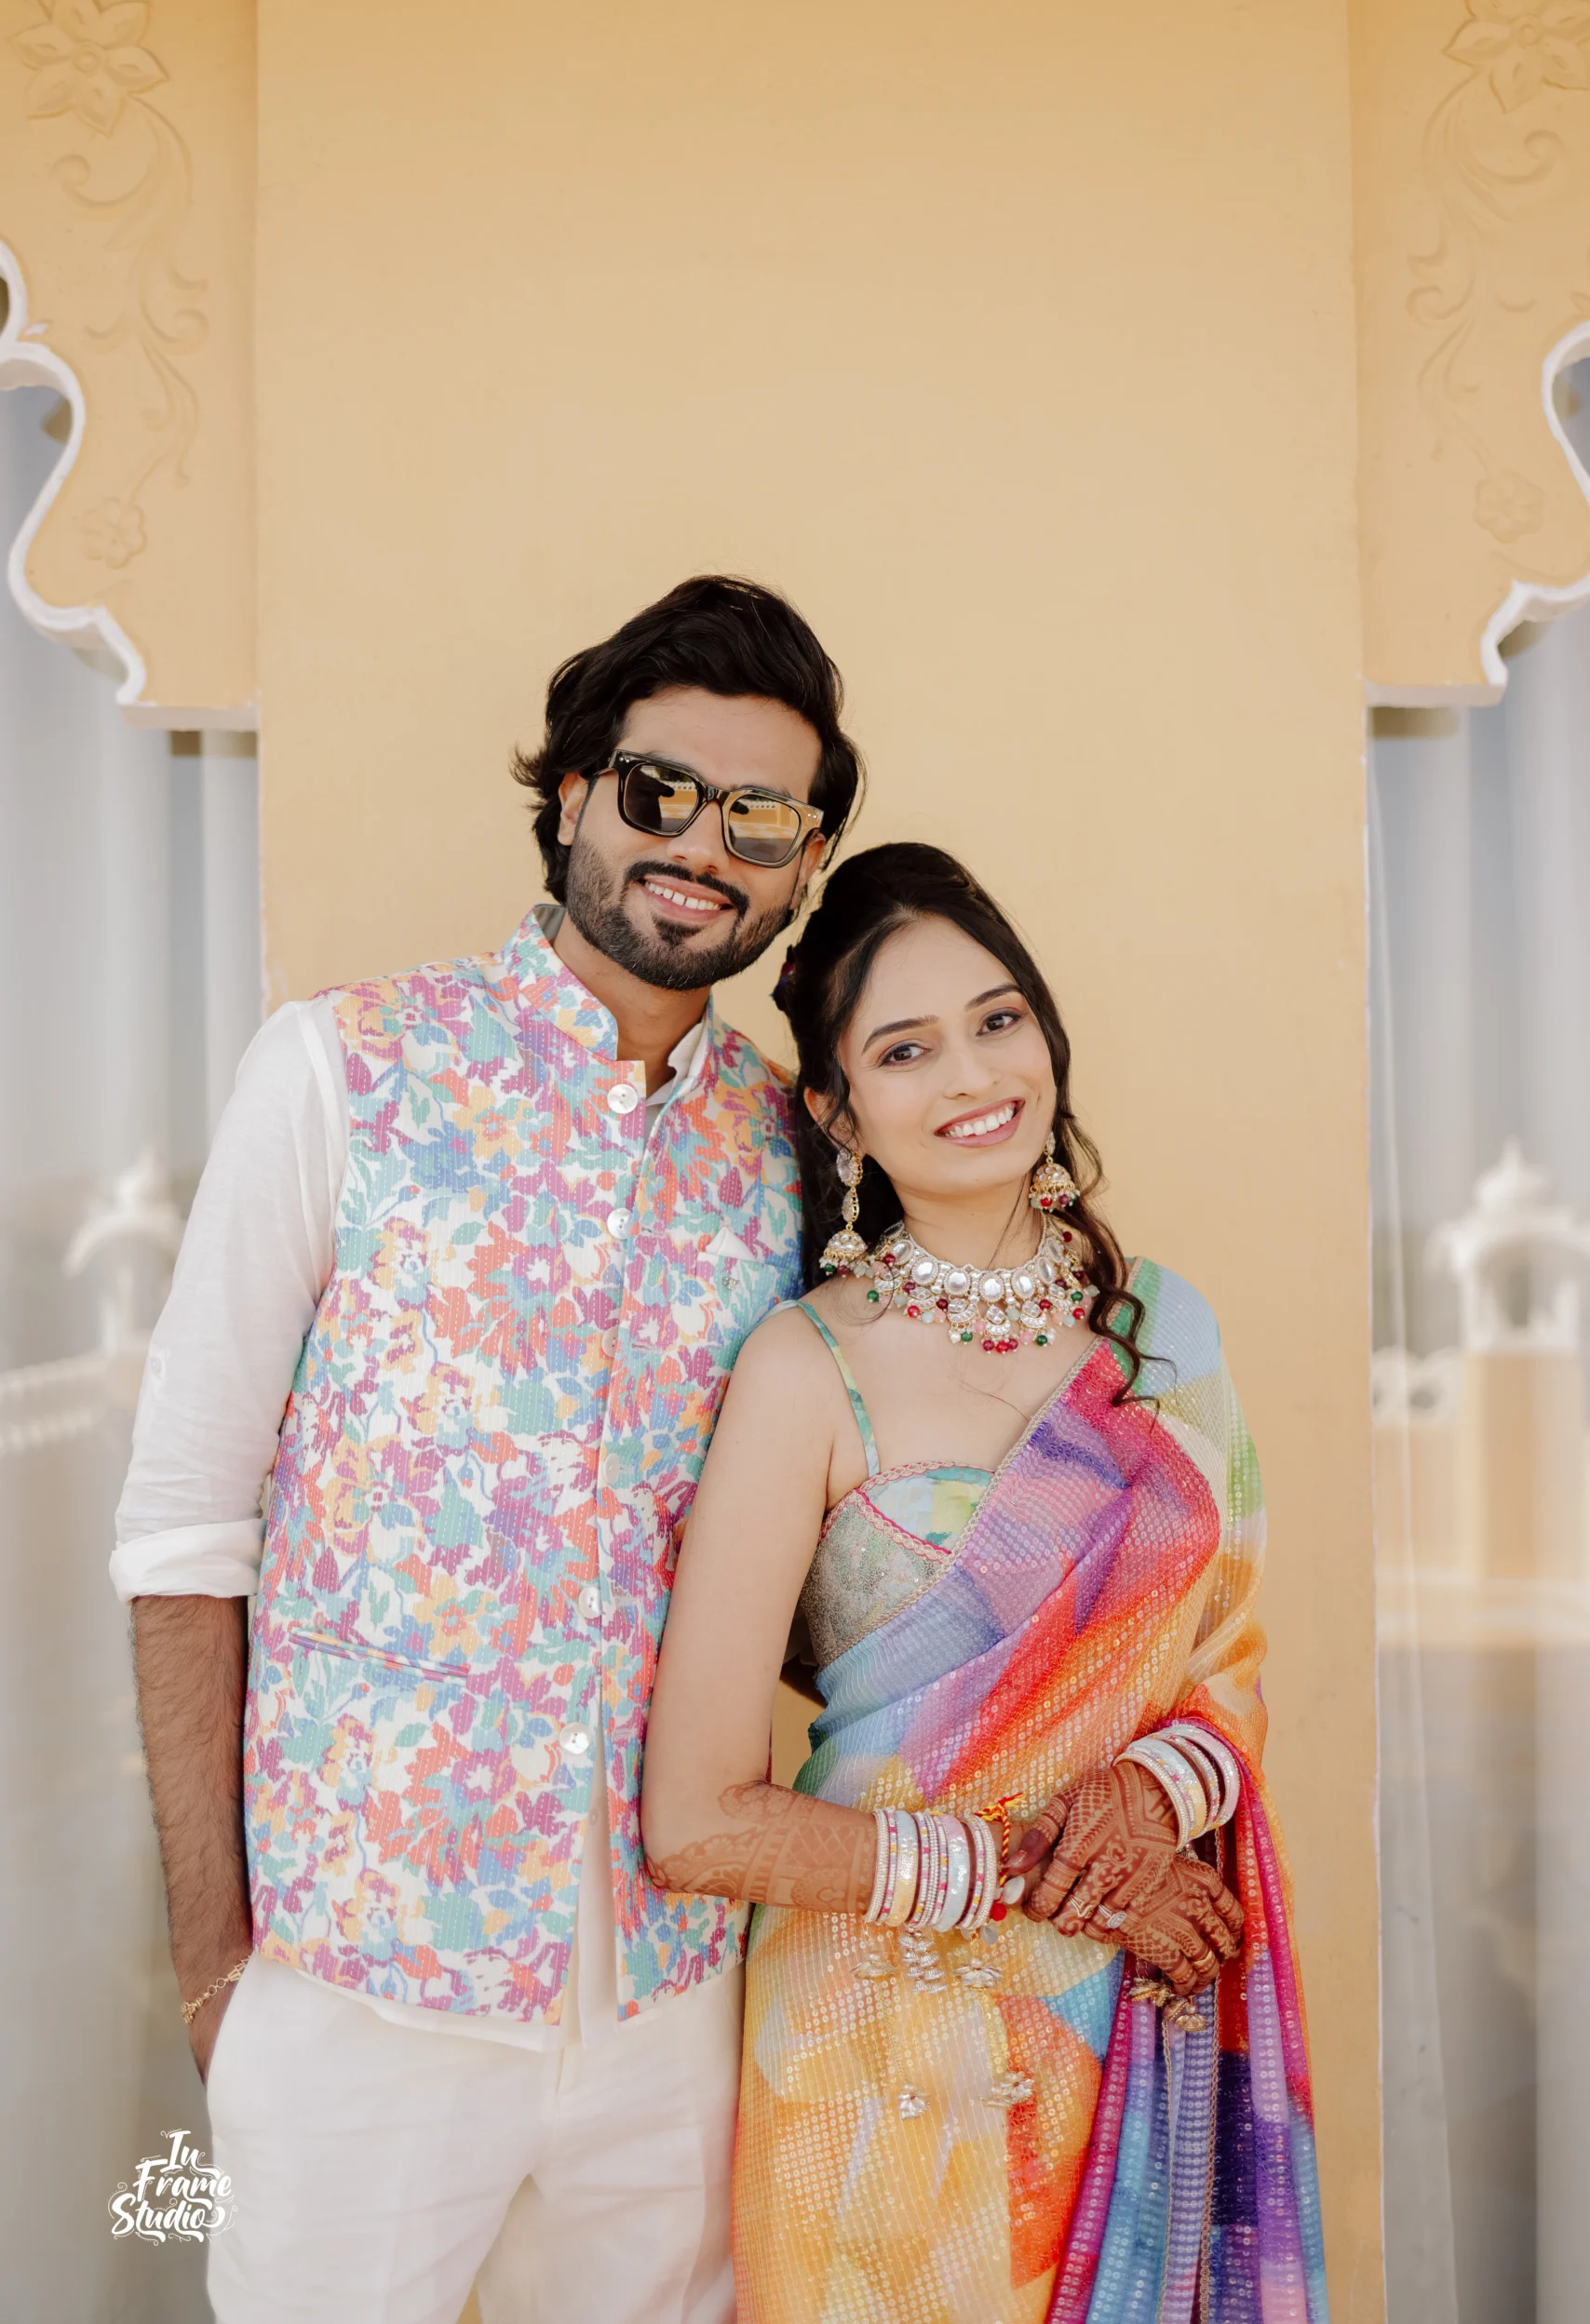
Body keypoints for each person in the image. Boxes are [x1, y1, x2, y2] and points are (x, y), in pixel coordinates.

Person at [112, 575, 864, 2324]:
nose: (703, 845)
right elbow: (185, 1529)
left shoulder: (797, 1156)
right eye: (659, 789)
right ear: (576, 792)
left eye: (762, 818)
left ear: (806, 862)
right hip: (360, 1980)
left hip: (673, 1999)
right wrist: (218, 1970)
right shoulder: (340, 1071)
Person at [642, 843, 1327, 2324]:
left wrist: (1146, 1802)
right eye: (906, 1048)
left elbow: (1231, 1661)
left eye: (998, 1019)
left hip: (1128, 2010)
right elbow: (697, 1820)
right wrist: (1058, 1874)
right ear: (838, 1109)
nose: (972, 1073)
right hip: (872, 2061)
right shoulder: (805, 1368)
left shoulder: (1165, 1336)